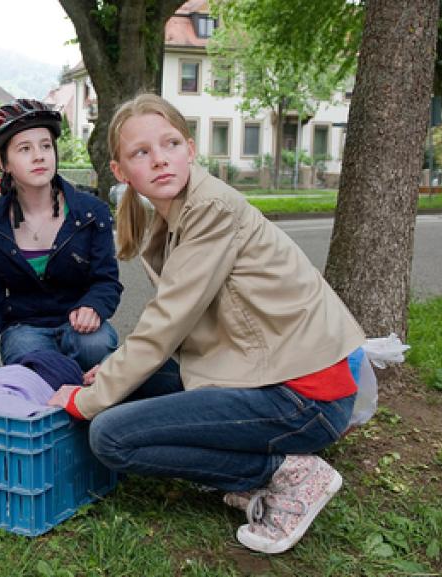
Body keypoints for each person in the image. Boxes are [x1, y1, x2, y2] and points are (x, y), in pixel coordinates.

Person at [48, 94, 366, 555]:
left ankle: (289, 473)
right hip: (264, 370)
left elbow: (164, 325)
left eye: (170, 143)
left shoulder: (210, 208)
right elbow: (184, 324)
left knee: (110, 434)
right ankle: (258, 468)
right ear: (120, 172)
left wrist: (89, 400)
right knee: (129, 387)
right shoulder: (172, 215)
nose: (160, 159)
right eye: (141, 152)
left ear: (190, 149)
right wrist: (116, 372)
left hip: (304, 396)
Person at [0, 99, 123, 371]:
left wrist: (93, 306)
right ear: (4, 163)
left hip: (79, 325)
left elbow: (106, 280)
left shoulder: (91, 213)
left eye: (46, 146)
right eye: (25, 149)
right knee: (31, 359)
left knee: (93, 344)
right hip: (25, 328)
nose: (39, 156)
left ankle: (92, 396)